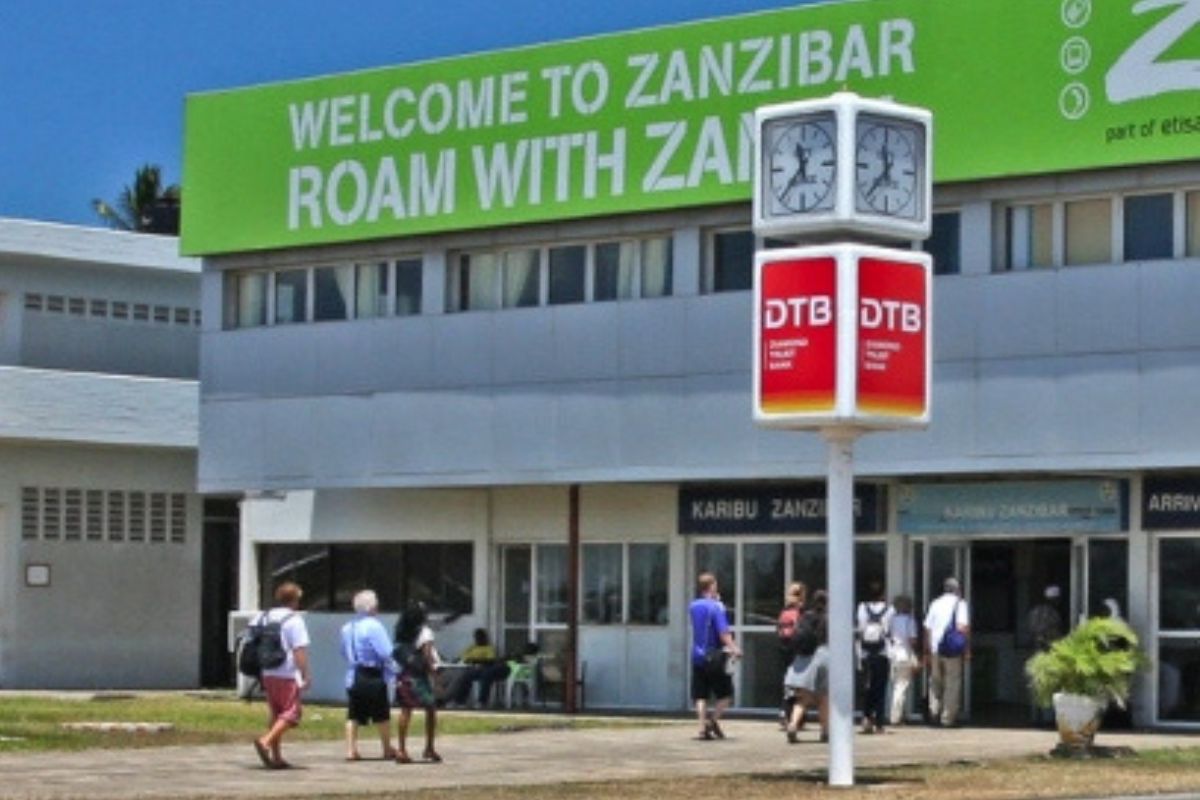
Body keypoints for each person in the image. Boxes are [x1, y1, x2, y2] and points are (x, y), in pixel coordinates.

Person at [253, 581, 311, 770]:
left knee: (276, 713)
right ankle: (266, 741)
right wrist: (305, 674)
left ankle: (276, 757)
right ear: (294, 600)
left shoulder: (263, 616)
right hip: (286, 672)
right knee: (292, 712)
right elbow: (299, 650)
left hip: (267, 671)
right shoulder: (294, 620)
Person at [339, 589, 396, 761]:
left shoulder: (347, 627)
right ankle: (386, 748)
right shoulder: (374, 625)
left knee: (353, 713)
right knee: (381, 712)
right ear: (371, 607)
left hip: (354, 673)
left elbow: (343, 651)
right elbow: (385, 651)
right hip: (372, 673)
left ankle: (351, 749)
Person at [689, 571, 741, 740]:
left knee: (700, 695)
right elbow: (723, 632)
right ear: (711, 586)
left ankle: (701, 727)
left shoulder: (693, 606)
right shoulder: (716, 607)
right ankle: (712, 721)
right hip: (714, 655)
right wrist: (734, 648)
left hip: (697, 655)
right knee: (726, 695)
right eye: (715, 585)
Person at [393, 601, 442, 763]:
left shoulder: (401, 630)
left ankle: (401, 749)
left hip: (403, 675)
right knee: (431, 708)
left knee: (405, 710)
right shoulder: (425, 632)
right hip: (418, 677)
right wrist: (435, 676)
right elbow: (427, 655)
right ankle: (429, 748)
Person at [923, 576, 970, 727]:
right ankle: (947, 718)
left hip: (935, 649)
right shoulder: (960, 604)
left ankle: (934, 712)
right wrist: (967, 649)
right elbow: (962, 628)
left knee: (935, 681)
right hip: (952, 649)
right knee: (952, 683)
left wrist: (927, 650)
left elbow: (927, 628)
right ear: (957, 590)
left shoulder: (935, 603)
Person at [784, 589, 829, 743]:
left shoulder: (805, 616)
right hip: (823, 656)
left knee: (803, 698)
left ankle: (793, 724)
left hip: (804, 659)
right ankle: (825, 731)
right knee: (823, 698)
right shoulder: (828, 618)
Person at [857, 580, 893, 734]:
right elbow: (890, 630)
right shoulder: (889, 609)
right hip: (882, 652)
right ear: (883, 594)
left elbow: (860, 628)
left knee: (867, 686)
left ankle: (866, 717)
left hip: (865, 652)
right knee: (880, 687)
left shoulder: (862, 607)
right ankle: (879, 723)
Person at [448, 628, 510, 708]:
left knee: (486, 675)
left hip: (485, 669)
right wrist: (458, 659)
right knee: (465, 676)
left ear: (484, 638)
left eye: (480, 638)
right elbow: (461, 656)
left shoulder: (488, 648)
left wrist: (474, 660)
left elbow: (490, 661)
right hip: (472, 668)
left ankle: (481, 702)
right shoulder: (472, 647)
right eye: (476, 638)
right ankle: (459, 701)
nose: (477, 640)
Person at [775, 582, 807, 730]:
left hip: (783, 649)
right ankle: (793, 715)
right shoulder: (801, 611)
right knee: (798, 684)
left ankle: (784, 712)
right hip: (796, 650)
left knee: (787, 682)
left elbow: (778, 630)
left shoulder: (784, 610)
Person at [887, 594, 921, 726]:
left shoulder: (891, 620)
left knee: (896, 685)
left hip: (893, 654)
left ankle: (900, 714)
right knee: (901, 687)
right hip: (904, 655)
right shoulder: (910, 621)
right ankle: (895, 717)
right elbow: (912, 640)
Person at [1028, 585, 1065, 651]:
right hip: (1048, 645)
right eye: (1057, 599)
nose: (1059, 601)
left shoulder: (1036, 611)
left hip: (1039, 644)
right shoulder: (1051, 613)